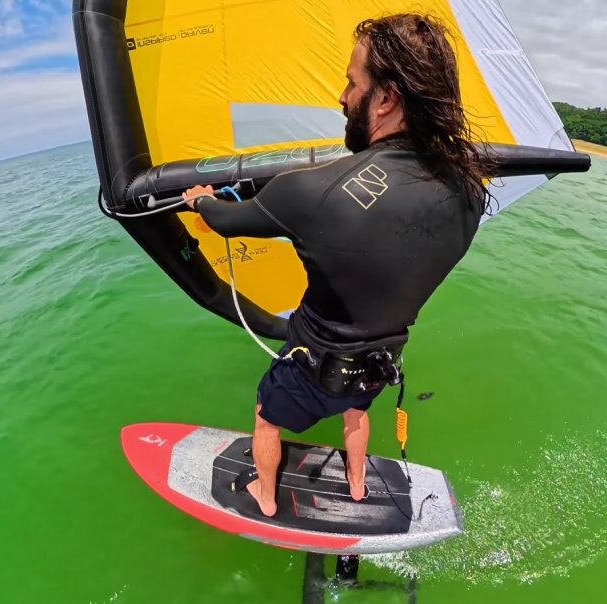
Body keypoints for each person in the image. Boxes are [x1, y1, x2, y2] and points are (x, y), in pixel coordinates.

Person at [182, 13, 496, 517]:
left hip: (315, 365)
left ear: (387, 99)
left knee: (265, 417)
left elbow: (225, 220)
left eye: (352, 83)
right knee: (355, 412)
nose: (342, 98)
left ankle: (265, 496)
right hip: (380, 364)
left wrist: (199, 200)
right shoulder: (470, 194)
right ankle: (356, 485)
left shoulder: (310, 192)